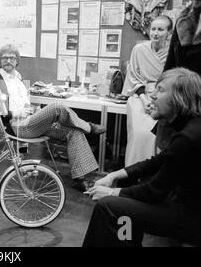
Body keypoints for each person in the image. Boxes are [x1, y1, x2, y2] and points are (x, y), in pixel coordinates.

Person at [83, 68, 201, 247]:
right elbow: (158, 161)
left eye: (160, 90)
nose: (152, 96)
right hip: (186, 206)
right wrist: (114, 175)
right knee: (125, 203)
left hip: (191, 218)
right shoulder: (190, 127)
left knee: (108, 206)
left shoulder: (187, 138)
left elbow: (155, 191)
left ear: (179, 98)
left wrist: (112, 192)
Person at [0, 44, 106, 192]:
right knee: (57, 106)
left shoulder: (18, 79)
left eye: (12, 57)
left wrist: (33, 110)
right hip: (18, 126)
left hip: (31, 122)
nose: (8, 60)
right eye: (4, 57)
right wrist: (15, 114)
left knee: (73, 132)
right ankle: (89, 127)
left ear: (17, 61)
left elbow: (25, 103)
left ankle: (81, 178)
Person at [155, 0, 201, 151]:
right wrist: (160, 89)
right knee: (168, 150)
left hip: (197, 100)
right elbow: (171, 62)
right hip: (177, 97)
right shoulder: (184, 19)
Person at [121, 15, 173, 167]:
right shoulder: (139, 49)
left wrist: (157, 101)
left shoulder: (172, 53)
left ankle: (151, 174)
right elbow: (133, 78)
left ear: (169, 33)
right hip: (139, 96)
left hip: (163, 97)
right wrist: (145, 100)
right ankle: (131, 172)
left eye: (161, 30)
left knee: (156, 135)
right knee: (140, 134)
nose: (156, 33)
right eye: (153, 29)